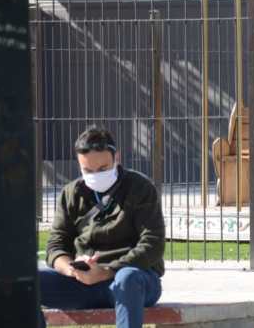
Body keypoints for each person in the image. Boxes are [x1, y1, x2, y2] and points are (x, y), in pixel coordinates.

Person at [39, 126, 165, 328]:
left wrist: (107, 271)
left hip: (133, 280)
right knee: (28, 282)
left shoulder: (140, 187)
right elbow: (56, 246)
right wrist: (72, 269)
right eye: (87, 171)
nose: (96, 175)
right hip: (83, 282)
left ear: (117, 158)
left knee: (127, 278)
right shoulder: (71, 193)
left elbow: (153, 244)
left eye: (103, 168)